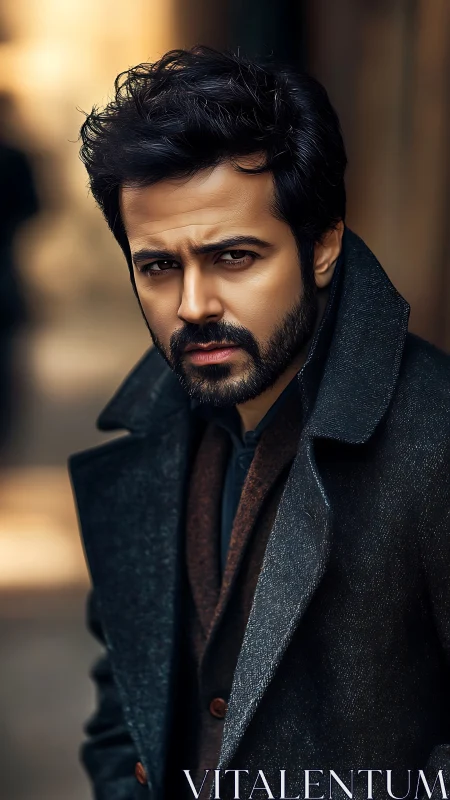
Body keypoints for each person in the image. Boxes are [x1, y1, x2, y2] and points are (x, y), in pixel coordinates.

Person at [70, 47, 450, 800]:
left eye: (234, 257)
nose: (193, 306)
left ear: (322, 247)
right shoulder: (146, 440)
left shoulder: (435, 436)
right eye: (158, 267)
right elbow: (125, 713)